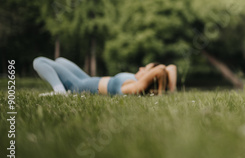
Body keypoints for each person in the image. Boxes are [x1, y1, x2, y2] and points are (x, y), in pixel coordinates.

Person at [33, 56, 177, 96]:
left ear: (149, 78)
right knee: (60, 61)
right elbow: (171, 68)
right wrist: (169, 90)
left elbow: (161, 71)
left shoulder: (134, 86)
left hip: (79, 86)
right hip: (87, 79)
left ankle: (60, 91)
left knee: (39, 61)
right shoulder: (134, 79)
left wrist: (159, 89)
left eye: (145, 69)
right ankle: (60, 87)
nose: (141, 68)